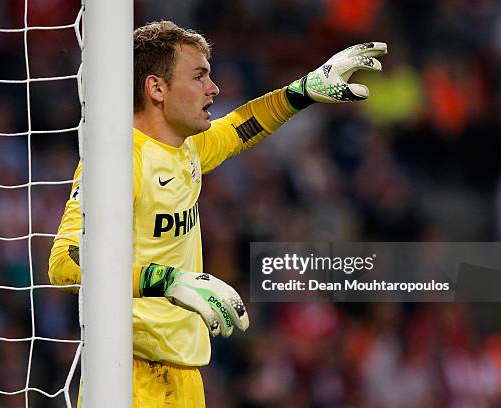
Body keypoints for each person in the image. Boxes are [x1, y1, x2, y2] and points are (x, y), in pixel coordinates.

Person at [48, 20, 387, 407]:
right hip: (129, 375)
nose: (214, 88)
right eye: (199, 76)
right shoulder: (121, 162)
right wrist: (168, 281)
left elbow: (241, 127)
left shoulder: (186, 147)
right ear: (156, 88)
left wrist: (304, 89)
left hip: (182, 374)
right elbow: (63, 264)